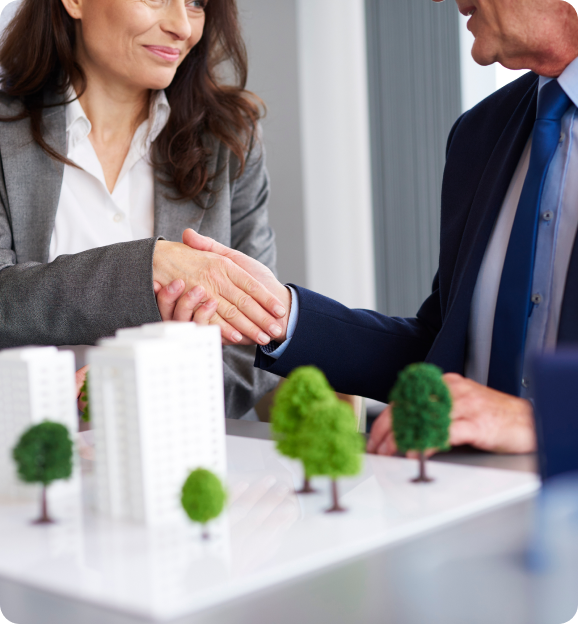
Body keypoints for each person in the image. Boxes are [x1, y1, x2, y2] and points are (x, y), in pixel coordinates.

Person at [166, 0, 578, 453]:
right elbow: (437, 352)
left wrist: (542, 421)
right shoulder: (479, 134)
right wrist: (281, 314)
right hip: (460, 496)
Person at [0, 0, 288, 419]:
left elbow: (258, 344)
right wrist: (148, 267)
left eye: (196, 3)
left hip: (174, 453)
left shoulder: (229, 141)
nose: (182, 26)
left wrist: (150, 390)